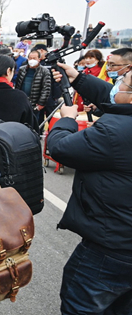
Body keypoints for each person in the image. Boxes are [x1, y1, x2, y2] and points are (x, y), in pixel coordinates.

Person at [49, 64, 132, 315]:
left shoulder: (113, 131)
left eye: (122, 80)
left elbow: (60, 148)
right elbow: (113, 98)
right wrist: (78, 79)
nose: (116, 83)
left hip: (111, 248)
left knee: (81, 305)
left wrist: (66, 120)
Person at [14, 49, 51, 122]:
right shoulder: (22, 69)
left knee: (34, 122)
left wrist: (41, 104)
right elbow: (18, 85)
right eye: (30, 58)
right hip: (22, 101)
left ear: (39, 59)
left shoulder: (44, 71)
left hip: (35, 103)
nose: (32, 60)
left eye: (34, 58)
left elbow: (46, 89)